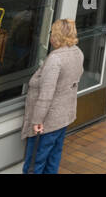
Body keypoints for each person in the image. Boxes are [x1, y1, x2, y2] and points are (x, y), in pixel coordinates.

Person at [21, 19, 84, 174]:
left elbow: (46, 94)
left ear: (56, 35)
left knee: (35, 164)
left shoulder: (55, 58)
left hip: (47, 122)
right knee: (53, 160)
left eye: (51, 32)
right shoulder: (77, 52)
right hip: (63, 117)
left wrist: (37, 120)